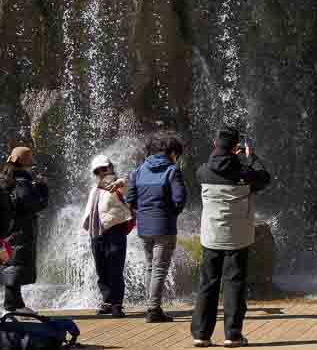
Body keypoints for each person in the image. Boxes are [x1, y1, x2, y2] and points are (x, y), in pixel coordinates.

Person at [191, 128, 271, 349]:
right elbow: (264, 178)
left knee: (208, 284)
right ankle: (233, 335)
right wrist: (251, 157)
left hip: (211, 236)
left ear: (216, 144)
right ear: (236, 148)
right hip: (237, 238)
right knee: (234, 284)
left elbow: (211, 168)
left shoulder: (203, 171)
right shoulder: (244, 173)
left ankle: (201, 334)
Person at [127, 134, 188, 323]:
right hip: (164, 226)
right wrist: (170, 214)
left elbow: (130, 199)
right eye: (176, 155)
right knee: (160, 268)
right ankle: (153, 310)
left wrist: (144, 212)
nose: (176, 158)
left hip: (144, 227)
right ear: (172, 153)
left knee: (150, 267)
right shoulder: (172, 171)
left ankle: (151, 306)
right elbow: (179, 199)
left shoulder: (138, 170)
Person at [81, 154, 132, 318]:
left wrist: (120, 182)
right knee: (101, 269)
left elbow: (126, 184)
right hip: (96, 233)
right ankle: (107, 301)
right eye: (98, 171)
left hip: (114, 231)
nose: (102, 172)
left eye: (104, 168)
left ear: (110, 167)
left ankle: (117, 304)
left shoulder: (117, 184)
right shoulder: (94, 189)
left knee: (115, 268)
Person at [0, 147, 49, 313]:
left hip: (8, 229)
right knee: (17, 265)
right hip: (21, 230)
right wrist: (42, 187)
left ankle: (15, 304)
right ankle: (12, 306)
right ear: (25, 163)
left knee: (11, 264)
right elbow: (33, 204)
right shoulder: (22, 180)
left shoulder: (6, 178)